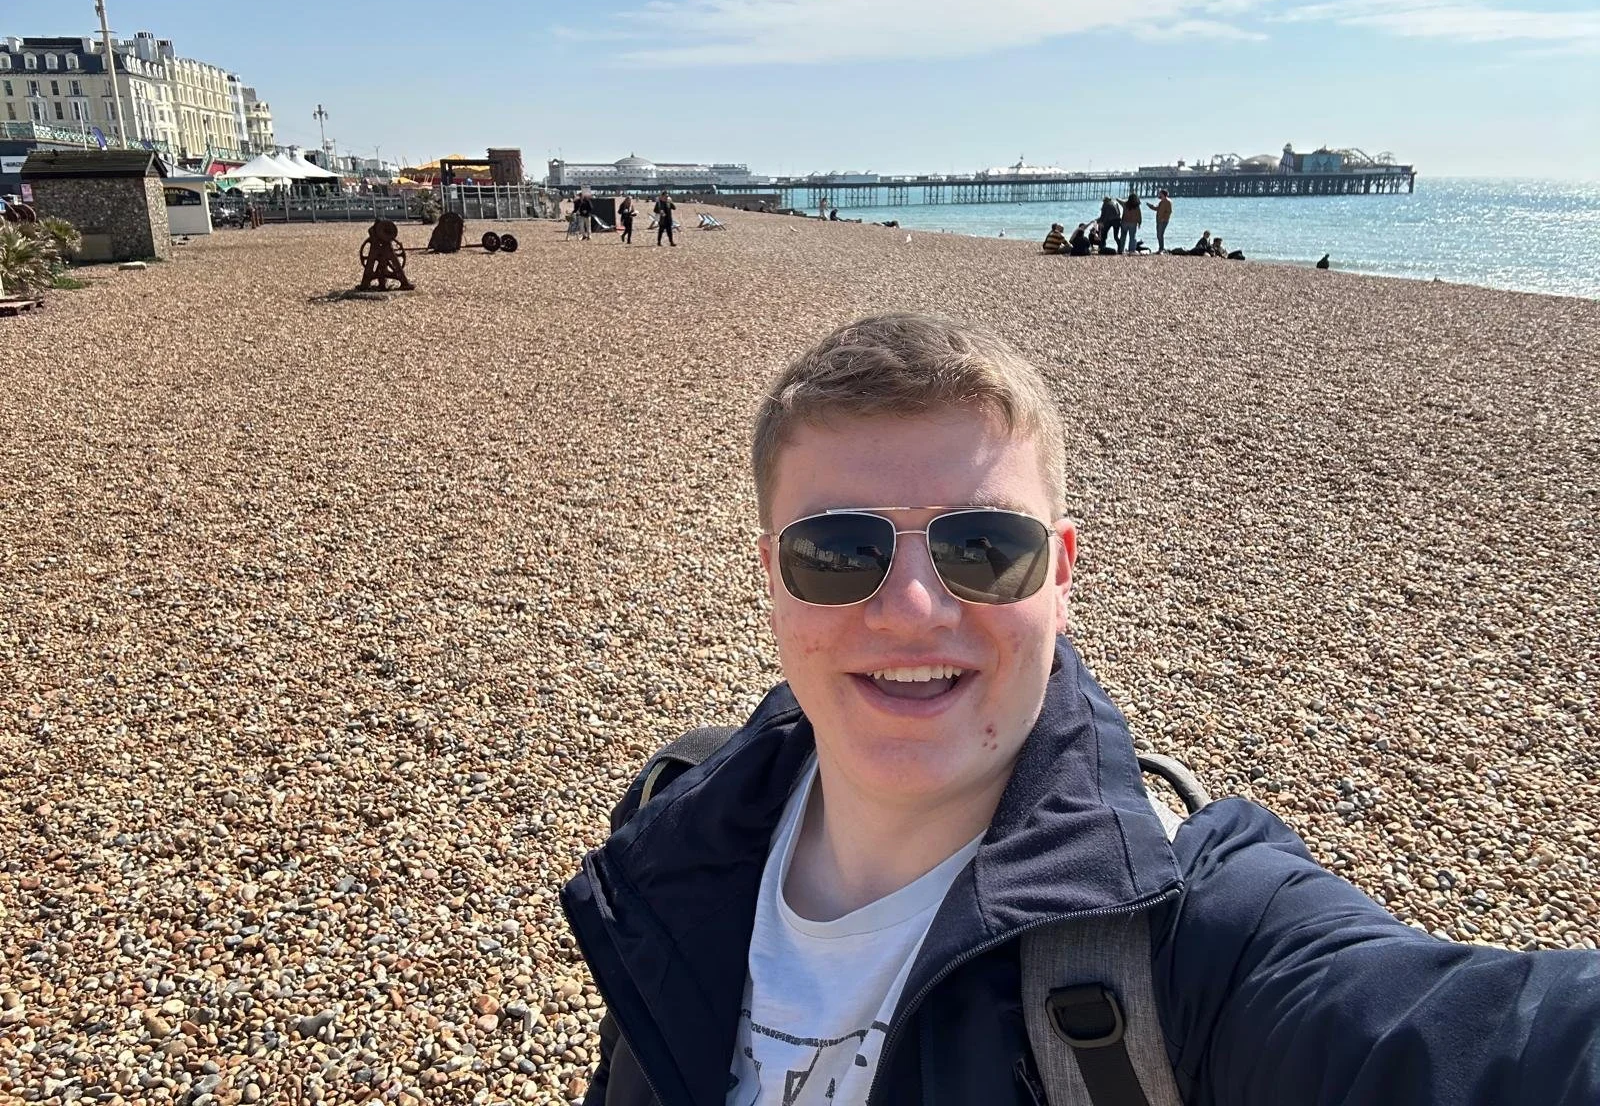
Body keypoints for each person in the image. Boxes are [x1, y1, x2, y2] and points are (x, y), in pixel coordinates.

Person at [562, 312, 1600, 1106]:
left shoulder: (1193, 941)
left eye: (982, 548)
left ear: (1060, 573)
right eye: (838, 552)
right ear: (771, 578)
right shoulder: (676, 829)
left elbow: (1480, 1044)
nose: (913, 609)